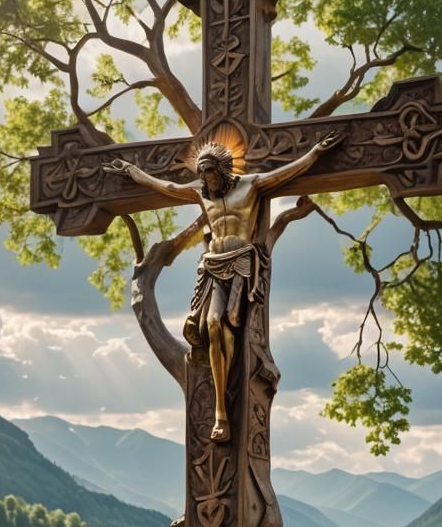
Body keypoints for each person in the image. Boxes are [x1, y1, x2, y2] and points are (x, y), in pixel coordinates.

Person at [104, 129, 342, 442]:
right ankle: (220, 411)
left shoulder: (251, 186)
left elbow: (286, 172)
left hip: (242, 264)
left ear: (223, 169)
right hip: (214, 266)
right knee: (212, 324)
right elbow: (168, 186)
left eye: (210, 172)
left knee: (231, 324)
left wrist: (315, 153)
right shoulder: (200, 193)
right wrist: (134, 173)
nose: (206, 179)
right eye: (201, 173)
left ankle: (227, 397)